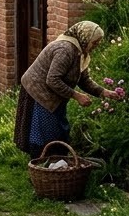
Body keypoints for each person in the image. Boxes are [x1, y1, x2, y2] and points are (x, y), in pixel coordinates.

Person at [13, 20, 123, 158]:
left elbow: (84, 80)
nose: (97, 45)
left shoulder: (80, 53)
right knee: (45, 132)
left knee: (60, 129)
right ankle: (42, 166)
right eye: (95, 42)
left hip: (54, 94)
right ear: (85, 38)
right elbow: (52, 80)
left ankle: (57, 164)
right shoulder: (65, 50)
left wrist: (103, 92)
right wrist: (77, 96)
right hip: (38, 92)